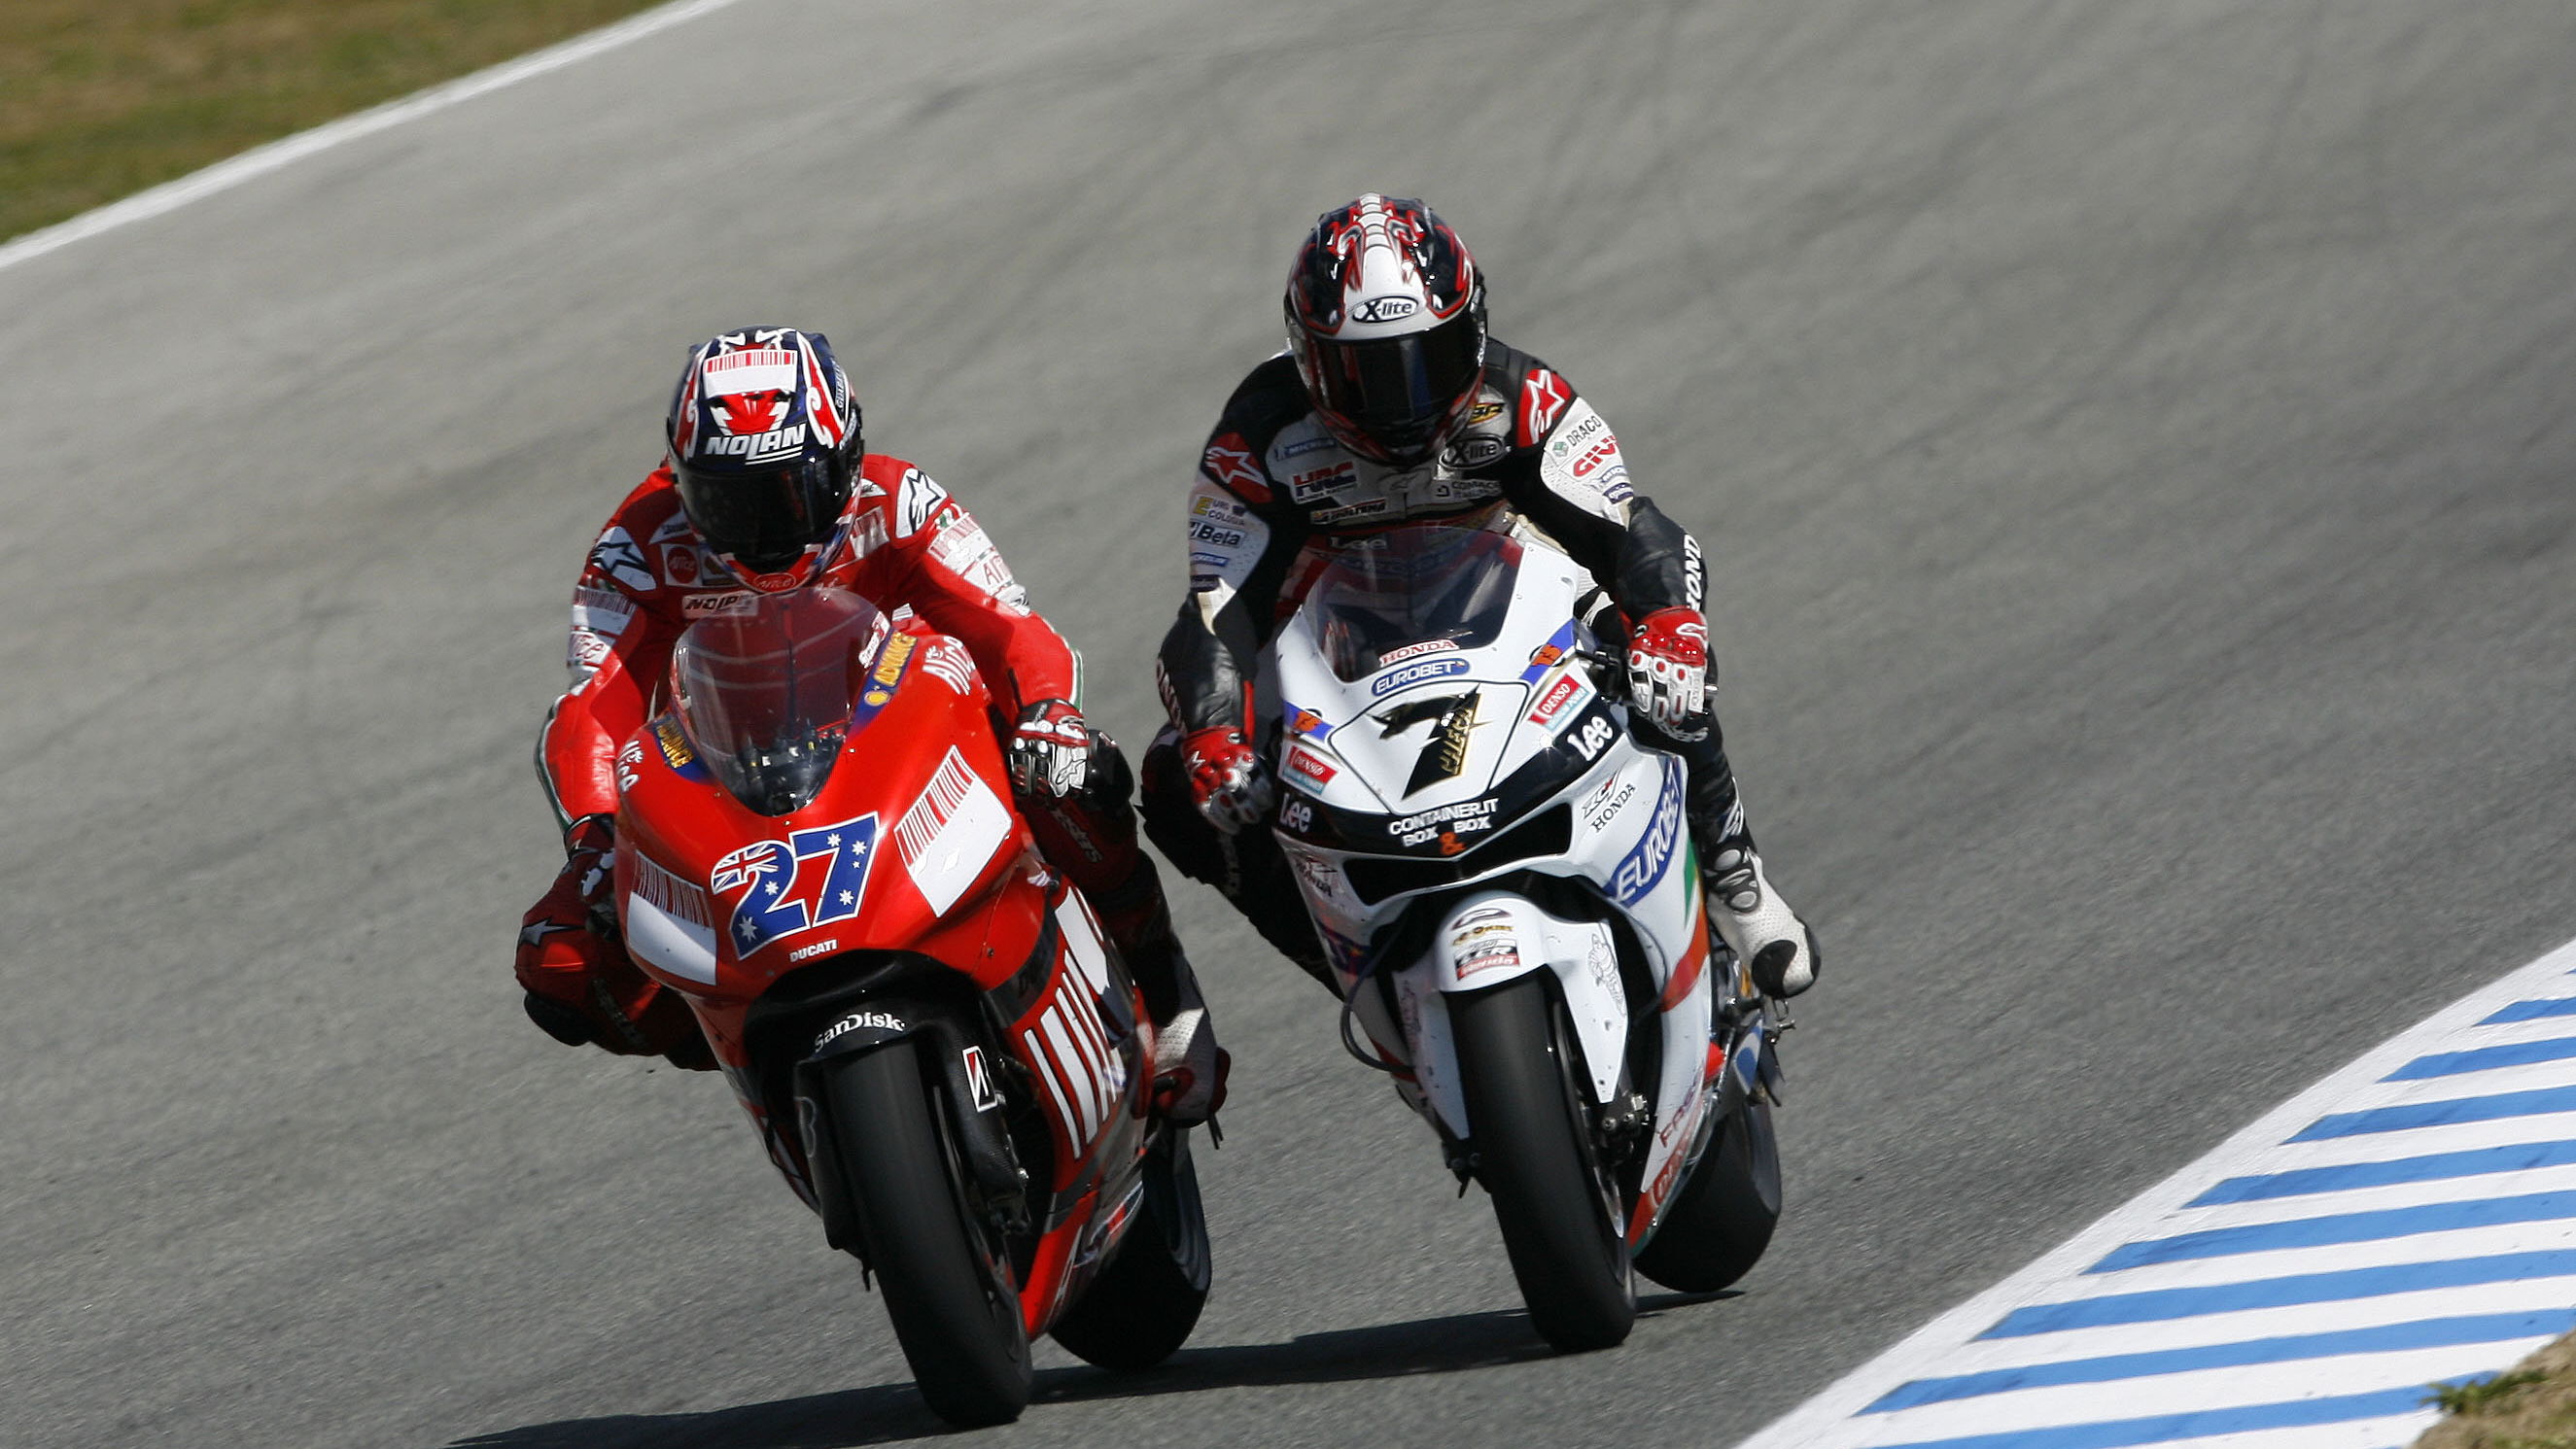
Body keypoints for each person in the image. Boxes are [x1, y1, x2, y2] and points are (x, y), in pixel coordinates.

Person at [515, 326, 1225, 1121]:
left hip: (914, 741)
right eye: (729, 500)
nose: (765, 529)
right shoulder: (635, 546)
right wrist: (593, 837)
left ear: (845, 458)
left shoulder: (899, 499)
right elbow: (594, 705)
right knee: (565, 961)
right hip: (741, 782)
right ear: (681, 482)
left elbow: (1010, 626)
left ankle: (1162, 984)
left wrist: (1051, 715)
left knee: (1076, 774)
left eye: (793, 491)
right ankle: (770, 1052)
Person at [1141, 195, 1819, 999]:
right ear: (1307, 357)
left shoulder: (1524, 393)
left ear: (1475, 327)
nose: (1404, 401)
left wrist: (1670, 620)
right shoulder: (1256, 437)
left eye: (1429, 359)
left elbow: (1630, 526)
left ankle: (1733, 871)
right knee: (1175, 781)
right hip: (1336, 642)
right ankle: (1359, 972)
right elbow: (1217, 606)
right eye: (1366, 373)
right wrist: (1215, 731)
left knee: (1658, 649)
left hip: (1514, 604)